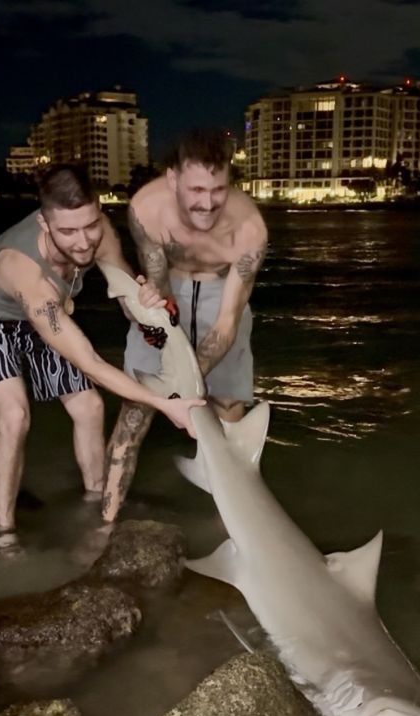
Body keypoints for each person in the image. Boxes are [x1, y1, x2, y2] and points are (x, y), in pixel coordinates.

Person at [0, 163, 204, 551]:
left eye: (89, 225)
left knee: (89, 407)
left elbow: (123, 288)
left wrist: (146, 303)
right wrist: (164, 403)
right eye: (67, 231)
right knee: (14, 416)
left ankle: (94, 501)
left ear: (99, 210)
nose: (83, 241)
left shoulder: (100, 234)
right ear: (44, 224)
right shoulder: (25, 271)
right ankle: (4, 532)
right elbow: (89, 360)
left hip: (49, 313)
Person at [101, 128, 268, 523]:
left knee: (228, 405)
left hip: (220, 292)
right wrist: (161, 335)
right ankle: (106, 519)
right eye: (196, 190)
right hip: (166, 291)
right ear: (172, 179)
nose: (207, 203)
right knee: (136, 408)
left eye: (218, 189)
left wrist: (189, 383)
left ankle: (230, 524)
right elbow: (158, 286)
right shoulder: (146, 207)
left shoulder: (250, 230)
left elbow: (228, 319)